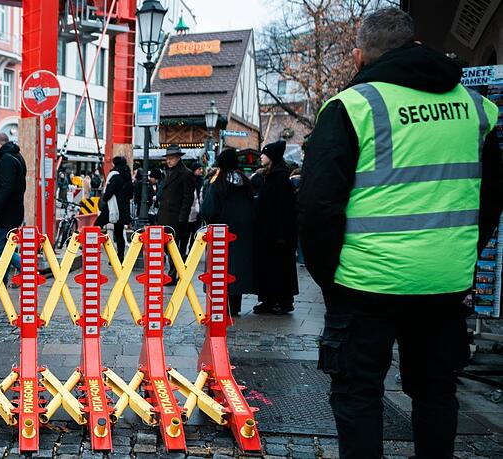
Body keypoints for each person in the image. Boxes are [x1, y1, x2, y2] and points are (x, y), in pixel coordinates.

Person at [298, 8, 503, 459]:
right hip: (444, 282)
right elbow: (491, 197)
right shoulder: (476, 108)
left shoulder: (353, 107)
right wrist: (461, 254)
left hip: (366, 282)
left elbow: (316, 207)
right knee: (436, 391)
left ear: (359, 57)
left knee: (358, 392)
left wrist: (330, 276)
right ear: (416, 44)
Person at [200, 149, 255, 316]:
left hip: (222, 233)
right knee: (237, 268)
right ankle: (235, 305)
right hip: (243, 233)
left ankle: (221, 306)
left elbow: (208, 210)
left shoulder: (218, 182)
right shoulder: (245, 182)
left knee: (221, 268)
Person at [252, 140, 298, 314]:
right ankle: (268, 300)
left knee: (280, 268)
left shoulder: (280, 178)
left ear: (272, 157)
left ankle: (284, 301)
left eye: (264, 154)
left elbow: (283, 209)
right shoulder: (270, 175)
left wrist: (281, 234)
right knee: (268, 267)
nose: (261, 157)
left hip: (277, 233)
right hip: (267, 232)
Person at [0, 133, 27, 277]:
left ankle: (28, 270)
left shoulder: (7, 159)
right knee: (6, 247)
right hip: (12, 212)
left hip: (4, 214)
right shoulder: (17, 157)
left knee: (1, 248)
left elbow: (6, 187)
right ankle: (2, 279)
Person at [157, 145, 195, 286]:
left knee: (173, 246)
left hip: (175, 216)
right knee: (166, 246)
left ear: (178, 158)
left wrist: (182, 218)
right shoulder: (169, 172)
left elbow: (188, 198)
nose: (168, 161)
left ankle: (173, 274)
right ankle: (173, 272)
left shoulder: (185, 173)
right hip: (165, 214)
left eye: (171, 158)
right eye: (168, 158)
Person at [97, 156, 133, 260]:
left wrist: (104, 199)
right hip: (123, 209)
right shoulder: (127, 176)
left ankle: (91, 248)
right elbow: (130, 194)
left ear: (115, 164)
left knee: (96, 226)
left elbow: (109, 192)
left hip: (111, 207)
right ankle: (120, 257)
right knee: (119, 233)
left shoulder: (114, 176)